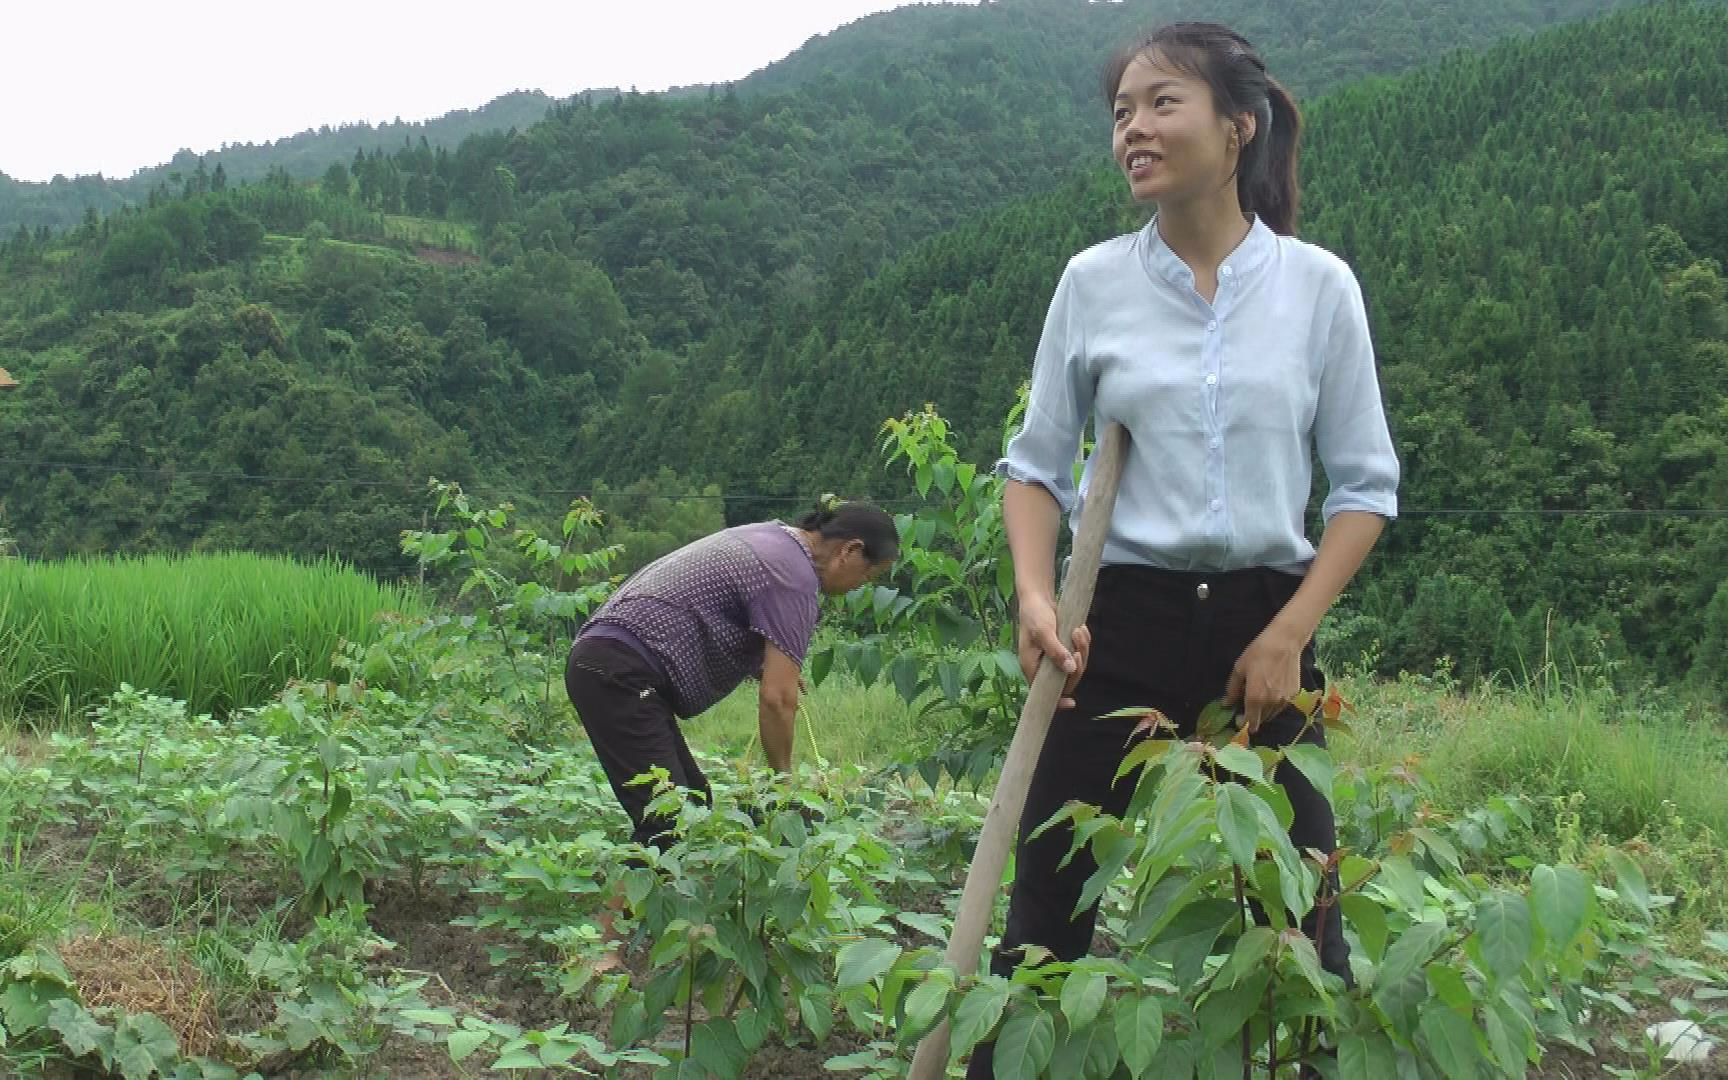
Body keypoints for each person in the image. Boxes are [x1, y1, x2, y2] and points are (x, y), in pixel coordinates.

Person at [971, 21, 1399, 1076]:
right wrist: (1036, 596)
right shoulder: (1093, 284)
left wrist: (1290, 630)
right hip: (1114, 619)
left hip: (1266, 617)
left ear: (1236, 125)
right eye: (1122, 112)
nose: (1133, 129)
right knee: (1050, 892)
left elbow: (1364, 489)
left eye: (1162, 104)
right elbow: (1034, 468)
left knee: (1301, 894)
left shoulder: (1317, 288)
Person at [565, 502, 898, 850]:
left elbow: (713, 606)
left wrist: (763, 668)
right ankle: (621, 906)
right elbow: (777, 699)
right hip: (620, 671)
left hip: (608, 659)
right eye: (868, 575)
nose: (860, 585)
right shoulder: (794, 576)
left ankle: (639, 902)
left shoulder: (771, 537)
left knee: (691, 804)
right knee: (670, 824)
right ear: (851, 550)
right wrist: (781, 784)